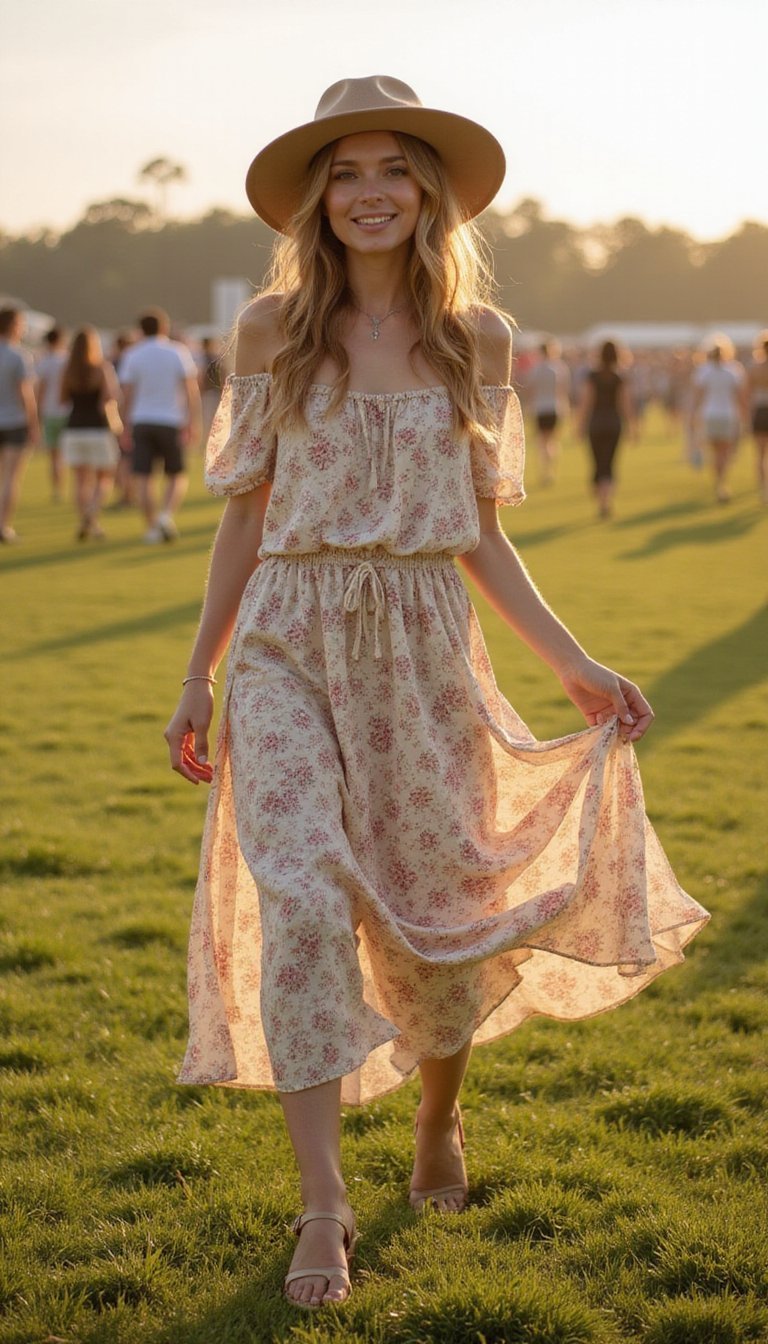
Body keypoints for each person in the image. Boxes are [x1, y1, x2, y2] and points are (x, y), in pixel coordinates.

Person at [164, 76, 708, 1311]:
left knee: (438, 908)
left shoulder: (480, 341)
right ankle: (324, 1204)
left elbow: (481, 534)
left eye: (394, 170)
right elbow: (244, 518)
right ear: (318, 199)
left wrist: (575, 663)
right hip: (288, 643)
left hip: (423, 650)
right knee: (302, 898)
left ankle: (436, 1117)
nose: (371, 194)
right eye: (346, 174)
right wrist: (200, 673)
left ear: (430, 193)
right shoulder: (269, 330)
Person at [119, 308, 201, 542]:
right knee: (176, 474)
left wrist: (124, 425)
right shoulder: (177, 351)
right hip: (171, 420)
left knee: (144, 476)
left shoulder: (133, 354)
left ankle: (151, 526)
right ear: (164, 327)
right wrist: (193, 421)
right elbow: (191, 390)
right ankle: (165, 516)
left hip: (141, 420)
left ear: (140, 330)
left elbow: (127, 394)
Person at [59, 327, 121, 540]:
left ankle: (86, 520)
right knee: (104, 477)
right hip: (98, 429)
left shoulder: (68, 370)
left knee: (80, 480)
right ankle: (92, 515)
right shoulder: (102, 368)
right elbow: (110, 397)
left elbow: (62, 399)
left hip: (74, 428)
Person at [577, 339, 634, 519]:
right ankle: (606, 501)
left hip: (596, 424)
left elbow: (586, 402)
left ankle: (600, 497)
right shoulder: (619, 377)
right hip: (613, 424)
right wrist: (632, 426)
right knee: (609, 463)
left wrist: (580, 425)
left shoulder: (593, 376)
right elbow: (625, 404)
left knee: (597, 463)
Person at [689, 336, 745, 503]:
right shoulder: (733, 370)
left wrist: (693, 415)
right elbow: (739, 396)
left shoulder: (703, 371)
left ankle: (718, 483)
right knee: (725, 452)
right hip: (728, 414)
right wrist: (743, 415)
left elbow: (698, 397)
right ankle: (722, 482)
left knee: (715, 452)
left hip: (709, 414)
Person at [0, 307, 39, 543]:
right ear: (14, 325)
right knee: (10, 478)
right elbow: (25, 394)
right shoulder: (19, 356)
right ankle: (4, 527)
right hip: (14, 422)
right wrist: (34, 424)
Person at [526, 338, 571, 485]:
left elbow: (531, 390)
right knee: (552, 440)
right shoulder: (558, 368)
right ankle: (551, 469)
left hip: (540, 408)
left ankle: (544, 471)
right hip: (554, 407)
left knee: (542, 442)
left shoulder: (536, 369)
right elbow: (562, 390)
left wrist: (529, 407)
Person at [35, 326, 70, 502]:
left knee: (54, 455)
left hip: (49, 412)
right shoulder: (67, 360)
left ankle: (58, 489)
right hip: (68, 411)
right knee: (67, 454)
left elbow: (40, 390)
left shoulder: (44, 362)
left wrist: (37, 413)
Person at [743, 330, 768, 505]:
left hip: (759, 410)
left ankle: (763, 488)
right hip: (761, 409)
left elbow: (747, 394)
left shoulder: (755, 367)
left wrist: (747, 415)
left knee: (760, 454)